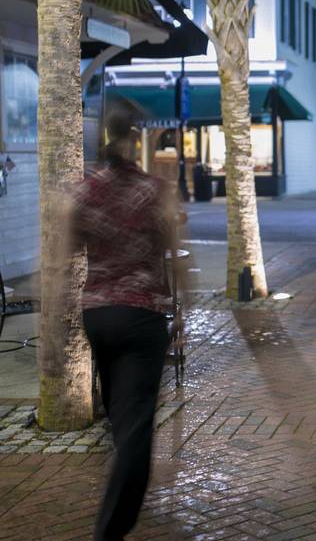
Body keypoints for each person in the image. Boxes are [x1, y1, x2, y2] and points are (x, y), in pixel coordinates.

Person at [67, 110, 185, 541]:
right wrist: (182, 308)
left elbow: (64, 246)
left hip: (98, 314)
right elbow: (176, 252)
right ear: (136, 141)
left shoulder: (86, 190)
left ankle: (119, 494)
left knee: (121, 414)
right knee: (135, 426)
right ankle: (111, 527)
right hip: (141, 316)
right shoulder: (155, 190)